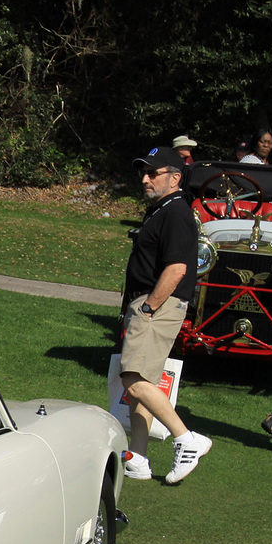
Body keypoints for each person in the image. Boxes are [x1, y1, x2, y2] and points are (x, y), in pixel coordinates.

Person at [118, 145, 211, 484]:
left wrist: (148, 307)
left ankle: (187, 440)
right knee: (142, 380)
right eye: (143, 171)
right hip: (148, 303)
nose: (145, 178)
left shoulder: (176, 212)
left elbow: (177, 269)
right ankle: (138, 458)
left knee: (134, 380)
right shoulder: (161, 209)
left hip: (158, 305)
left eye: (153, 172)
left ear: (174, 178)